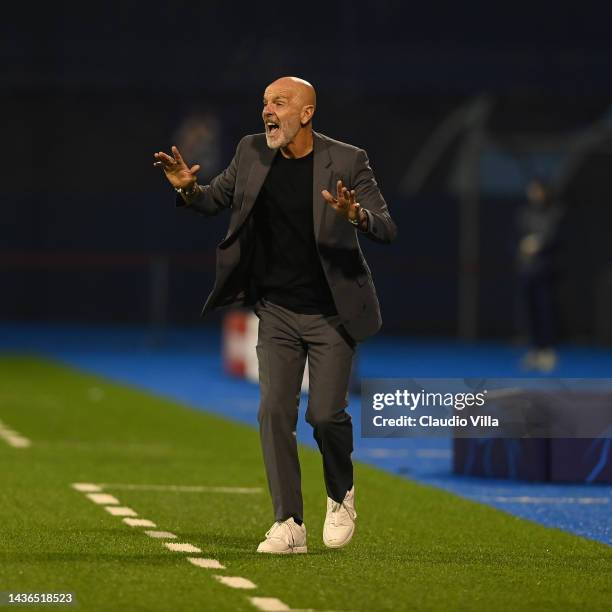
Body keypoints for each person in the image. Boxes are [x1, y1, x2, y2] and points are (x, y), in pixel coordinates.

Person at [153, 76, 397, 554]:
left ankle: (341, 493)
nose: (267, 110)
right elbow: (213, 199)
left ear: (306, 113)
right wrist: (187, 189)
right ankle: (289, 523)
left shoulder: (347, 159)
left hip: (332, 313)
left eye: (280, 102)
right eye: (264, 102)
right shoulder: (251, 152)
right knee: (273, 413)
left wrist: (356, 216)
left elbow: (386, 227)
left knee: (326, 417)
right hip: (276, 311)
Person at [516, 178, 564, 373]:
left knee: (546, 311)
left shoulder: (557, 212)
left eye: (538, 190)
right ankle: (535, 350)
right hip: (528, 271)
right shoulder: (524, 213)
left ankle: (548, 351)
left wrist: (540, 245)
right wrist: (524, 248)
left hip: (547, 271)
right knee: (530, 312)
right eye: (531, 190)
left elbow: (557, 239)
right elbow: (516, 239)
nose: (534, 194)